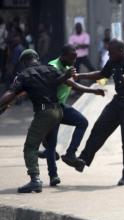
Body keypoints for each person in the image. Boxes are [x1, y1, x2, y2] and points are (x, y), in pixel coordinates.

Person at [69, 39, 124, 186]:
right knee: (99, 128)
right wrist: (80, 76)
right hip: (118, 101)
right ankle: (83, 160)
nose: (109, 55)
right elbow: (102, 74)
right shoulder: (113, 60)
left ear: (121, 50)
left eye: (111, 52)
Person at [0, 49, 74, 193]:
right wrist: (66, 75)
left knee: (30, 146)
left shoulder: (24, 74)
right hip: (58, 112)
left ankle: (35, 180)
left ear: (24, 62)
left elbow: (11, 92)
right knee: (43, 138)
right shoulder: (50, 69)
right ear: (37, 58)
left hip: (44, 113)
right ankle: (49, 153)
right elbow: (61, 80)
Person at [37, 45, 105, 186]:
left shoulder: (67, 67)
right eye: (72, 58)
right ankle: (53, 175)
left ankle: (70, 153)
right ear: (63, 55)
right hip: (50, 108)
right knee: (52, 144)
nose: (74, 61)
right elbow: (53, 83)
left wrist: (93, 90)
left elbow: (72, 83)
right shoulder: (53, 66)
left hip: (61, 106)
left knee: (82, 122)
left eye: (76, 58)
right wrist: (66, 76)